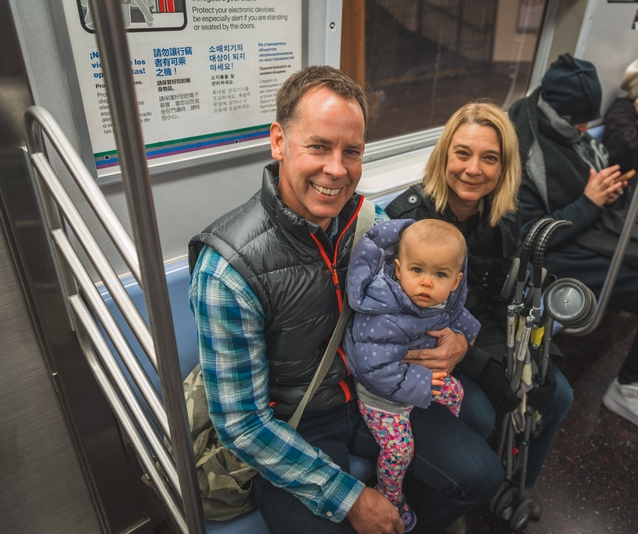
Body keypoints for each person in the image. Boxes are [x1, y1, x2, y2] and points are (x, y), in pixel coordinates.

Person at [188, 65, 502, 534]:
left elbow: (427, 294)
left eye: (351, 151)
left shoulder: (370, 224)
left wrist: (457, 338)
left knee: (483, 477)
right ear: (279, 142)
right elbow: (243, 425)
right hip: (293, 425)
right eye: (318, 146)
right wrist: (351, 498)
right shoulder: (227, 271)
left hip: (371, 392)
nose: (337, 169)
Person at [508, 54, 638, 440]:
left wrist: (604, 194)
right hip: (558, 254)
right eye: (576, 121)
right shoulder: (523, 151)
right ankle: (628, 389)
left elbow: (589, 173)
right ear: (555, 110)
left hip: (592, 227)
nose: (583, 129)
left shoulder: (563, 130)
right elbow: (528, 237)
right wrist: (589, 202)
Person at [385, 101, 574, 519]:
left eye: (490, 158)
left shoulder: (502, 215)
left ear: (503, 166)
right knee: (480, 412)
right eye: (463, 154)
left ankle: (516, 486)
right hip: (423, 344)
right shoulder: (408, 219)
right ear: (445, 156)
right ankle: (443, 500)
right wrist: (484, 365)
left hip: (480, 332)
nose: (474, 169)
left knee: (557, 393)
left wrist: (542, 358)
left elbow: (506, 299)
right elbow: (404, 321)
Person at [343, 219, 481, 532]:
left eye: (440, 275)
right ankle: (391, 495)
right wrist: (419, 383)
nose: (426, 283)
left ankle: (440, 436)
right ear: (397, 268)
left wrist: (467, 336)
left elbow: (455, 313)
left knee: (457, 393)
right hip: (381, 397)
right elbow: (372, 368)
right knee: (399, 450)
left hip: (417, 377)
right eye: (417, 270)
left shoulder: (440, 298)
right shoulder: (382, 312)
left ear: (456, 280)